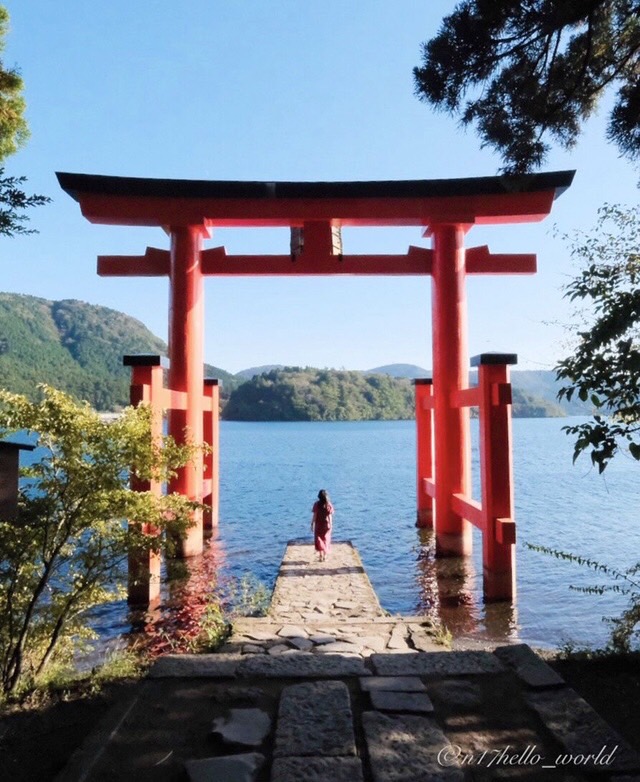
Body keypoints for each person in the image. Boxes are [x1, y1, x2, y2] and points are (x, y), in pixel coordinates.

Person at [311, 489, 333, 562]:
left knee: (319, 540)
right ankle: (325, 556)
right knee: (326, 539)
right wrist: (331, 525)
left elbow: (315, 515)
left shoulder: (316, 504)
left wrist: (312, 524)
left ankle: (321, 556)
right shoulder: (328, 505)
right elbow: (330, 516)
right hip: (326, 525)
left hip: (319, 525)